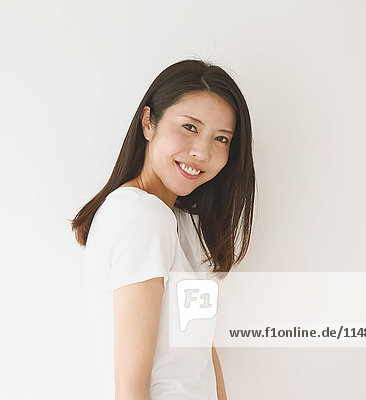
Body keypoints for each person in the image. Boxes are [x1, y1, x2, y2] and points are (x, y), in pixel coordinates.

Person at [70, 59, 255, 400]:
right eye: (189, 127)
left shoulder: (179, 222)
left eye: (222, 138)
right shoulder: (142, 216)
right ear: (148, 122)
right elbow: (130, 386)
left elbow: (201, 350)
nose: (202, 151)